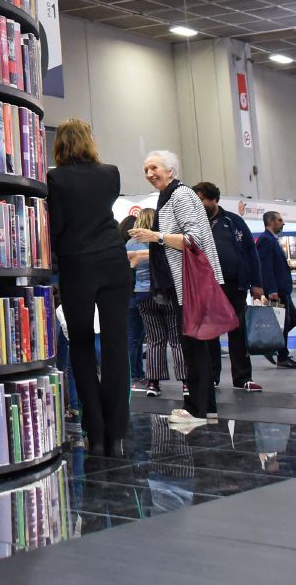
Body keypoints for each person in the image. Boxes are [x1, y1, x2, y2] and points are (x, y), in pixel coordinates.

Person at [45, 119, 131, 457]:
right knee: (115, 346)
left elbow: (59, 226)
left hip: (77, 266)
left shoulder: (56, 179)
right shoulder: (111, 173)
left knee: (80, 346)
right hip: (114, 262)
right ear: (89, 141)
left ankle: (94, 433)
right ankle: (117, 435)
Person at [129, 150, 224, 427]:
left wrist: (155, 236)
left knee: (193, 347)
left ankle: (197, 410)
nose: (149, 174)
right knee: (195, 347)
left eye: (154, 168)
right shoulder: (171, 196)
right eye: (146, 169)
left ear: (170, 171)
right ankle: (204, 408)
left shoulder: (180, 196)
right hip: (186, 284)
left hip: (191, 284)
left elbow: (193, 239)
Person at [192, 182, 265, 390]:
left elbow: (251, 252)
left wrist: (257, 283)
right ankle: (212, 376)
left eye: (202, 199)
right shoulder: (194, 224)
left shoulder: (233, 221)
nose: (199, 204)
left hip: (235, 285)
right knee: (209, 333)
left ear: (213, 199)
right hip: (206, 286)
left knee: (238, 331)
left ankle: (242, 378)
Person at [132, 208, 184, 398]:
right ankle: (186, 383)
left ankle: (153, 383)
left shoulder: (131, 243)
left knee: (154, 340)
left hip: (142, 295)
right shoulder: (164, 242)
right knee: (177, 339)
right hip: (166, 292)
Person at [256, 211, 296, 369]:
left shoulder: (272, 240)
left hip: (283, 289)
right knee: (284, 321)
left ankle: (272, 346)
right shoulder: (265, 240)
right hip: (277, 290)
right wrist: (271, 289)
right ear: (271, 222)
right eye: (280, 220)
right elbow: (265, 267)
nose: (283, 223)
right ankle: (282, 356)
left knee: (293, 320)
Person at [119, 214, 148, 391]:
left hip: (130, 295)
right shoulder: (135, 245)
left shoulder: (126, 246)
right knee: (135, 339)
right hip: (135, 294)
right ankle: (134, 375)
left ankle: (137, 374)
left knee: (134, 339)